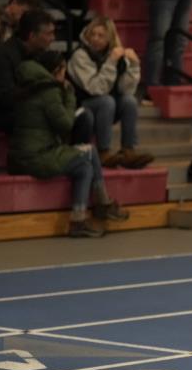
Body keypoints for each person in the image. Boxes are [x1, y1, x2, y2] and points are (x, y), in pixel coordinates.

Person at [8, 51, 129, 238]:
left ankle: (83, 216)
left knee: (85, 163)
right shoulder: (49, 91)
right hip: (36, 155)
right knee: (89, 154)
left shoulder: (29, 85)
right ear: (57, 70)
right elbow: (65, 124)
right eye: (64, 69)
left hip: (25, 154)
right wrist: (70, 95)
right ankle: (99, 207)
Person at [68, 17, 154, 169]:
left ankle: (128, 150)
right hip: (82, 105)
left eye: (101, 36)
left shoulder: (115, 55)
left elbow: (126, 90)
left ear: (110, 39)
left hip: (106, 107)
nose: (95, 39)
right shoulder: (80, 55)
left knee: (129, 101)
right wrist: (111, 63)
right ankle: (103, 151)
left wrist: (134, 66)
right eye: (92, 34)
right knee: (106, 101)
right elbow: (96, 88)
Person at [0, 9, 57, 133]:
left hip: (23, 110)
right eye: (49, 34)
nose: (53, 38)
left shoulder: (39, 55)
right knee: (48, 118)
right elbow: (6, 98)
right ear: (32, 36)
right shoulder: (3, 56)